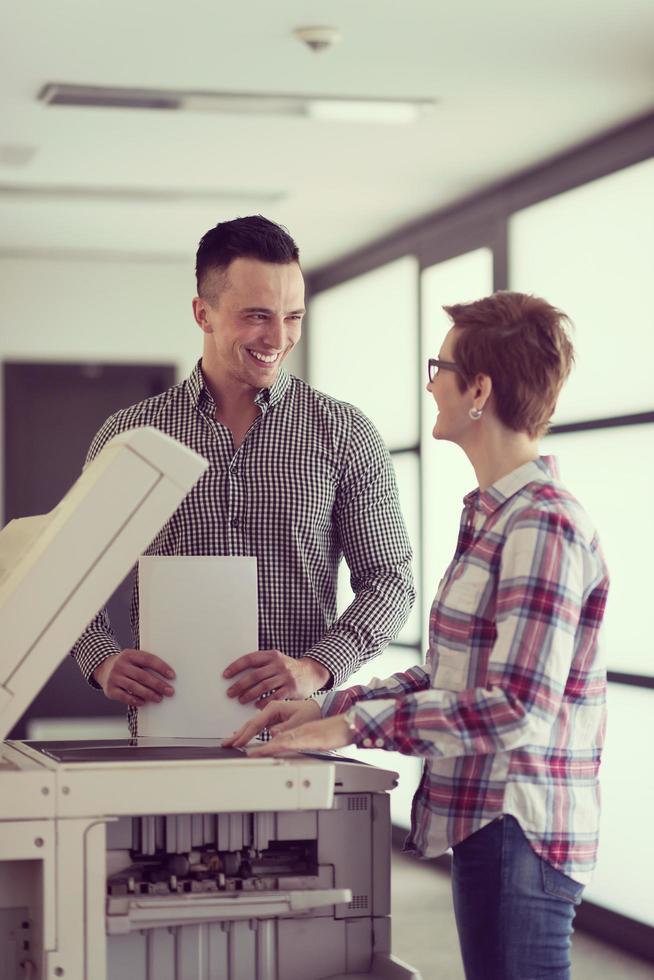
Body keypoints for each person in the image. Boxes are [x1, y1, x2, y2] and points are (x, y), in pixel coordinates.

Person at [225, 291, 609, 980]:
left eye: (441, 367)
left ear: (479, 390)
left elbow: (516, 709)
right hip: (486, 824)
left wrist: (356, 729)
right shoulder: (494, 517)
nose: (430, 383)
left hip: (518, 828)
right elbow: (448, 677)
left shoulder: (542, 525)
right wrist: (327, 707)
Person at [71, 215, 414, 736]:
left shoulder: (344, 433)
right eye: (257, 315)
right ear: (202, 313)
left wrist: (316, 667)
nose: (278, 337)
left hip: (301, 742)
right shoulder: (131, 437)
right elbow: (72, 574)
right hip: (167, 741)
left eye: (293, 316)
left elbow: (389, 580)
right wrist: (101, 659)